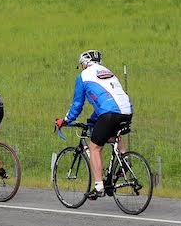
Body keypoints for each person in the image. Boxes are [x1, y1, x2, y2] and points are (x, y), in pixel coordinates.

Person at [54, 50, 133, 200]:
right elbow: (105, 102)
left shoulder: (83, 76)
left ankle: (98, 187)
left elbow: (77, 105)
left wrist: (65, 120)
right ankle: (125, 162)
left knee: (95, 147)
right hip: (127, 110)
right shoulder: (108, 72)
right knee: (114, 134)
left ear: (84, 63)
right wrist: (92, 121)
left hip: (110, 113)